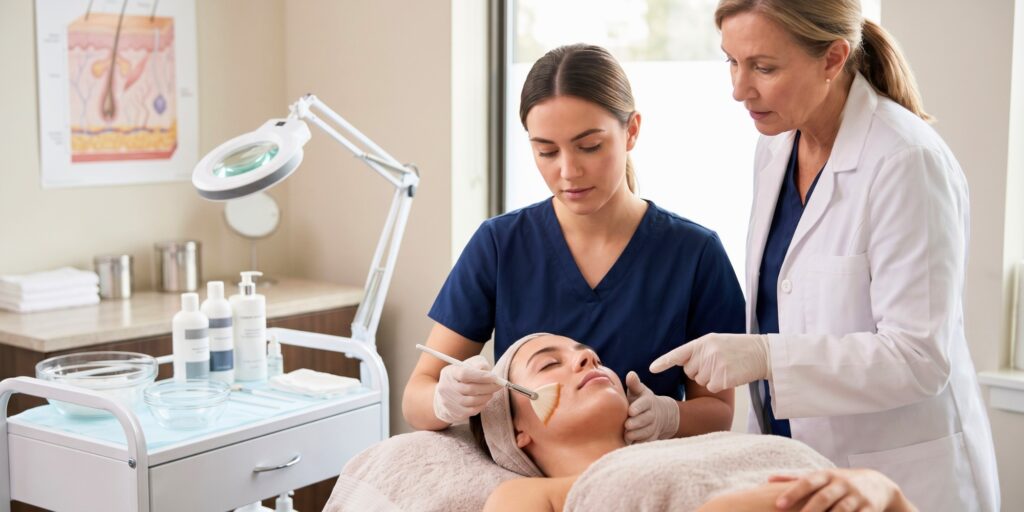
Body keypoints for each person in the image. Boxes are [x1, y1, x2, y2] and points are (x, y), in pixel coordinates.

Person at [648, 1, 999, 510]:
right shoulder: (775, 145)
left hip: (897, 474)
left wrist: (766, 356)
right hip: (797, 463)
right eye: (731, 61)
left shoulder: (906, 160)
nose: (739, 89)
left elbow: (921, 356)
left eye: (764, 67)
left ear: (833, 59)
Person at [402, 44, 745, 444]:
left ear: (631, 130)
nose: (568, 171)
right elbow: (416, 396)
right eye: (546, 151)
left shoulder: (695, 254)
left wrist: (670, 417)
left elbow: (718, 410)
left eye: (589, 146)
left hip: (646, 473)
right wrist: (446, 400)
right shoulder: (500, 244)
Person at [475, 333, 916, 512]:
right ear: (518, 432)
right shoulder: (524, 494)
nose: (586, 357)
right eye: (549, 363)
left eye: (585, 353)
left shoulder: (710, 448)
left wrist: (882, 488)